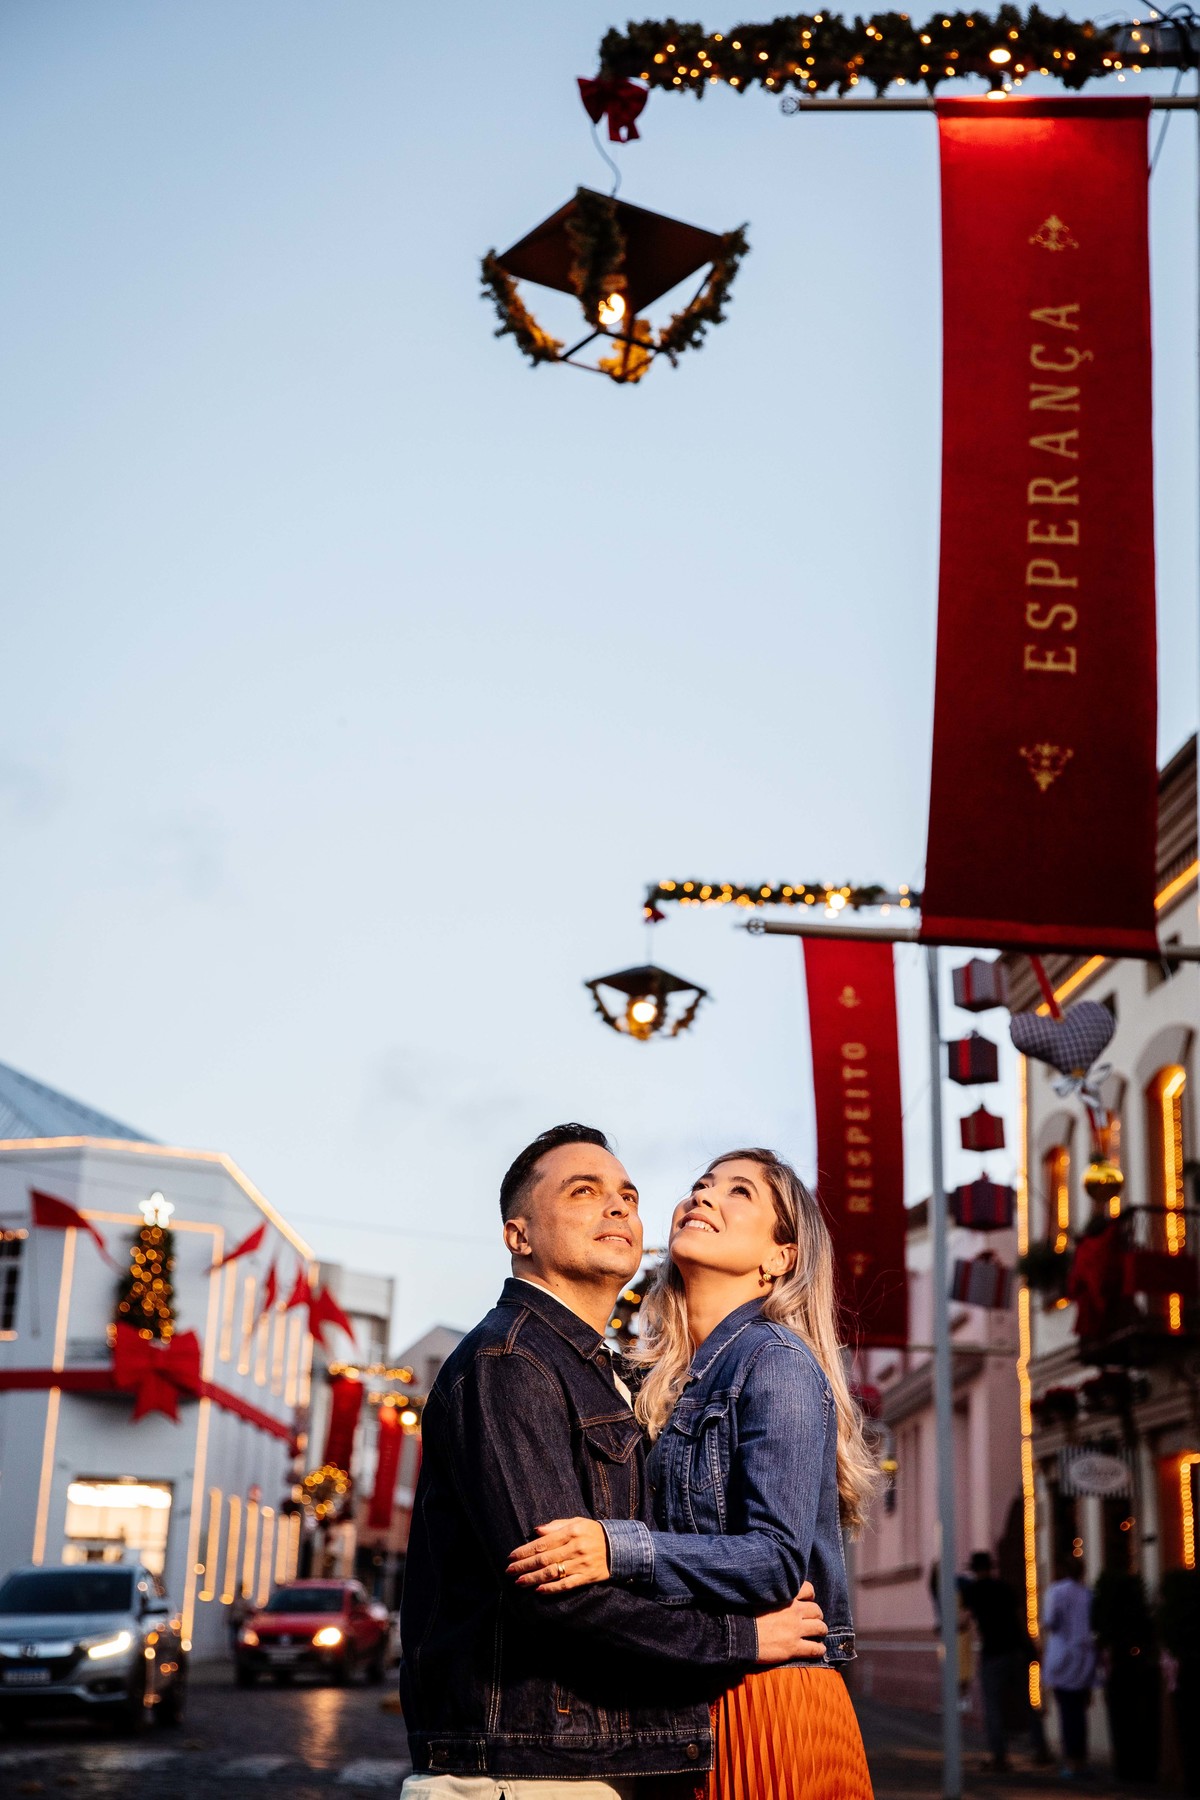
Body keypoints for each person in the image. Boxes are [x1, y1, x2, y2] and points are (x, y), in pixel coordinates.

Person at [397, 1125, 830, 1800]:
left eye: (628, 1195)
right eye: (583, 1191)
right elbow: (557, 1590)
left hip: (605, 1756)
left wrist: (621, 1550)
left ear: (782, 1256)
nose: (619, 1206)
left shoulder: (634, 1376)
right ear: (518, 1235)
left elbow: (758, 1557)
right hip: (529, 1767)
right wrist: (740, 1639)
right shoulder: (512, 1360)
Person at [508, 1147, 876, 1800]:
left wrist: (614, 1549)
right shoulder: (666, 1385)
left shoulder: (776, 1360)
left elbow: (776, 1561)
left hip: (767, 1701)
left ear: (780, 1257)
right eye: (702, 1184)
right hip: (690, 1698)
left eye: (739, 1191)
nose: (703, 1195)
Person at [962, 1549, 1026, 1773]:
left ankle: (999, 1756)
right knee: (1028, 1702)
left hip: (992, 1652)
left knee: (993, 1706)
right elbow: (1019, 1616)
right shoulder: (1005, 1588)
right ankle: (1041, 1749)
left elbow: (964, 1620)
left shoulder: (973, 1590)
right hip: (1015, 1649)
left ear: (975, 1570)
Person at [1042, 1560, 1095, 1779]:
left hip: (1061, 1657)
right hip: (1083, 1658)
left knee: (1066, 1712)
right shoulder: (1088, 1594)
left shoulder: (1055, 1591)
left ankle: (1071, 1761)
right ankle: (1080, 1760)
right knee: (1080, 1713)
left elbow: (1050, 1621)